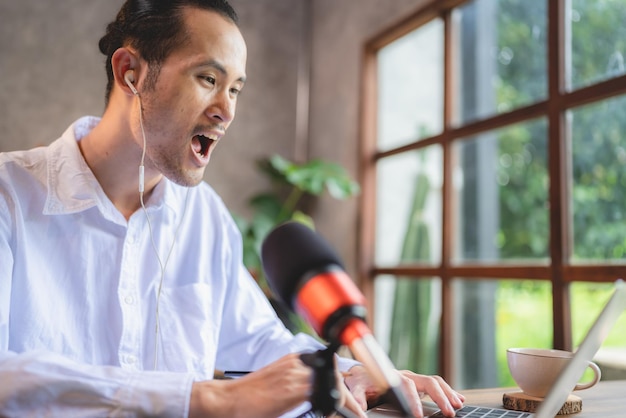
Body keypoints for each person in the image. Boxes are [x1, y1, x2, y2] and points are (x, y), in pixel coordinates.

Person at [0, 1, 465, 417]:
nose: (227, 111)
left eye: (236, 89)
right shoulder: (9, 194)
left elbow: (261, 341)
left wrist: (359, 373)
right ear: (131, 73)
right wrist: (208, 398)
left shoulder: (202, 214)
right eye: (209, 79)